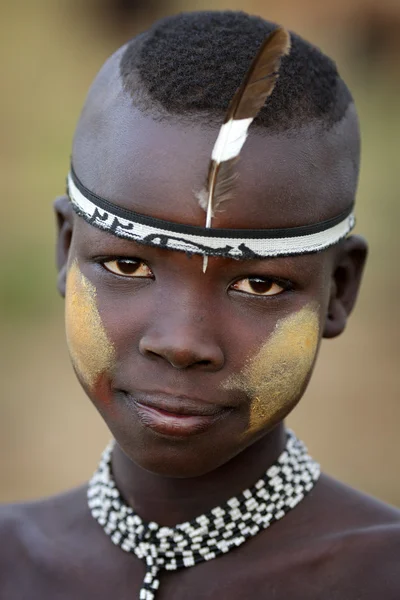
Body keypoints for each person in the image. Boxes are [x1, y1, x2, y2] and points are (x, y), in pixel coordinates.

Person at [2, 10, 399, 600]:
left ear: (339, 289)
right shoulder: (12, 561)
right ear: (66, 249)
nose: (182, 342)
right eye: (128, 265)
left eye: (259, 285)